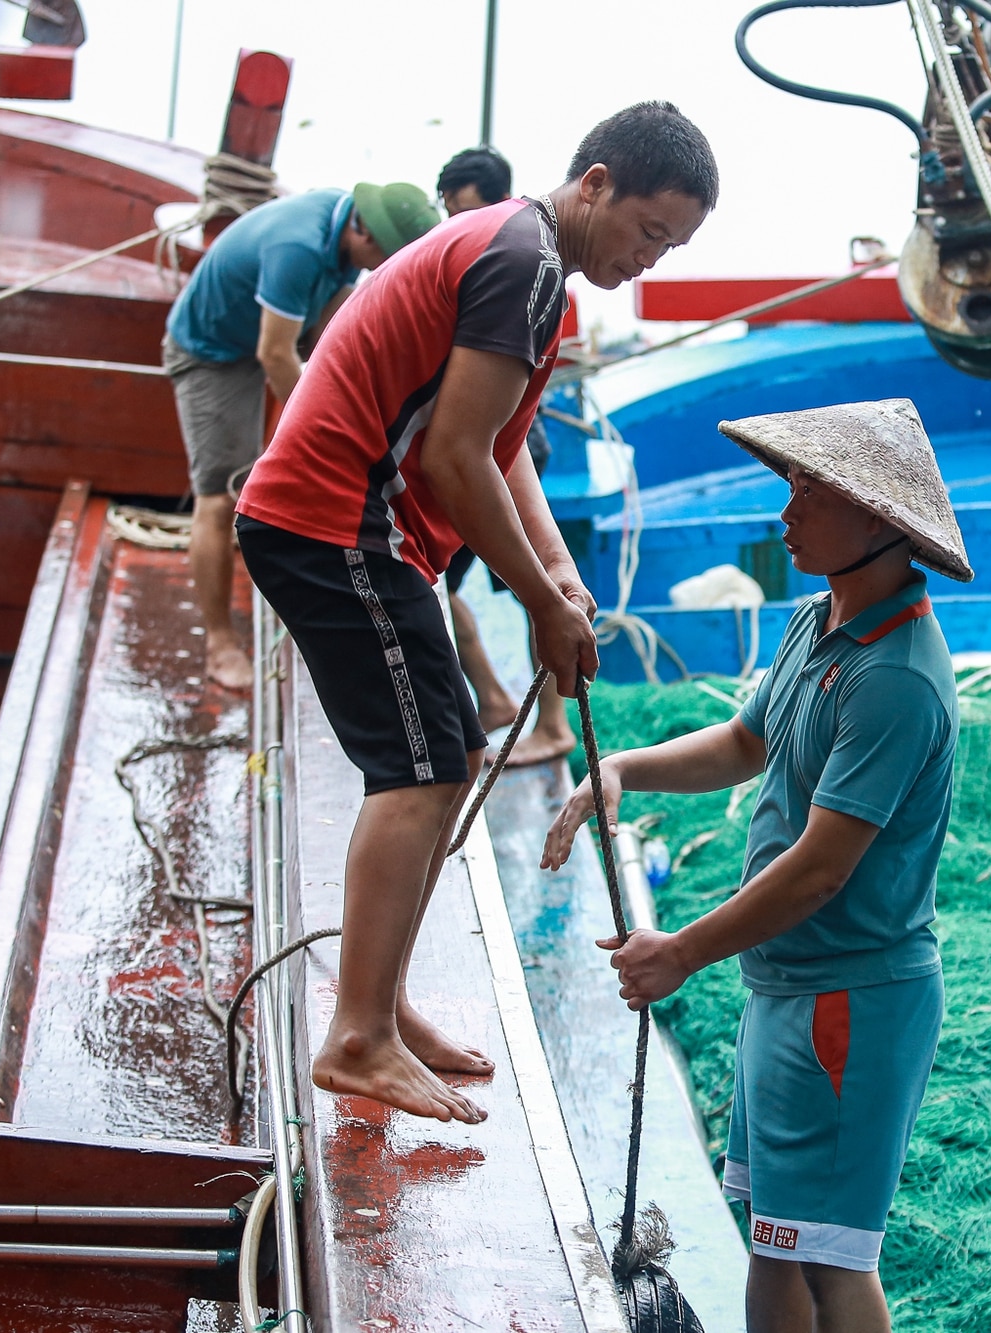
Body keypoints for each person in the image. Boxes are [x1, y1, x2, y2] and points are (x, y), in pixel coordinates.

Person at [234, 102, 719, 1123]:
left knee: (441, 752)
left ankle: (382, 1003)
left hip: (353, 527)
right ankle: (357, 1036)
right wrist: (543, 609)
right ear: (593, 184)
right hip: (333, 521)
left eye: (667, 247)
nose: (647, 259)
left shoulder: (534, 262)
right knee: (418, 769)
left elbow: (496, 446)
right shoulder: (525, 263)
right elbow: (453, 456)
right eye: (645, 232)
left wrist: (553, 567)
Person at [542, 399, 970, 1331]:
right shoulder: (817, 621)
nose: (787, 510)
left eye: (810, 491)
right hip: (789, 988)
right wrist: (622, 767)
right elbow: (746, 742)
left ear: (879, 520)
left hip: (849, 1002)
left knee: (830, 1260)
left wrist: (682, 950)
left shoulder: (895, 675)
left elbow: (821, 868)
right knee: (776, 1240)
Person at [165, 181, 442, 692]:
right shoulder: (300, 247)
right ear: (363, 231)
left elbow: (333, 335)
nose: (372, 270)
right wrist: (330, 431)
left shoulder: (346, 234)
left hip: (262, 336)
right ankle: (219, 644)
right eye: (377, 260)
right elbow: (276, 353)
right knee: (218, 498)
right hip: (213, 352)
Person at [434, 145, 578, 763]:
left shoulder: (521, 264)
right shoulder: (482, 256)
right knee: (449, 583)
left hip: (511, 447)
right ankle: (495, 699)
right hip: (487, 444)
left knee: (533, 586)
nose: (453, 223)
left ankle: (552, 723)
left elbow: (475, 438)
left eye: (464, 209)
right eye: (447, 211)